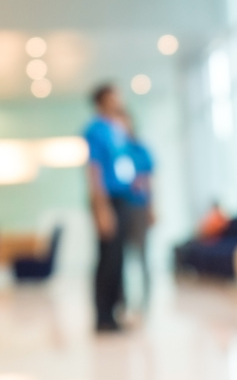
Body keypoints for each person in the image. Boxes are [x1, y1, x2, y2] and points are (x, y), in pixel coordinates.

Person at [83, 82, 135, 332]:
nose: (119, 101)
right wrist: (101, 208)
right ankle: (103, 317)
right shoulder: (95, 130)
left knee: (118, 259)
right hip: (106, 200)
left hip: (121, 197)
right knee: (108, 259)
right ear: (102, 101)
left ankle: (114, 313)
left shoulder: (116, 129)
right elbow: (94, 170)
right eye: (114, 97)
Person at [120, 109, 155, 308]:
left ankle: (146, 301)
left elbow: (150, 181)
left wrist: (152, 208)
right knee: (122, 257)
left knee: (143, 255)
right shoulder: (116, 149)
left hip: (139, 207)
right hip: (121, 208)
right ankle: (123, 300)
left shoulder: (141, 149)